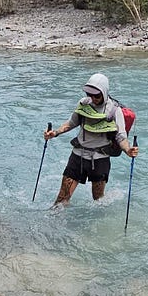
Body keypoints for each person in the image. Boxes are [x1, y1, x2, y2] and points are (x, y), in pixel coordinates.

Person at [44, 73, 138, 205]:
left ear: (104, 92)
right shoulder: (83, 104)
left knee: (98, 201)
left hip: (100, 159)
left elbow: (121, 136)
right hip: (78, 156)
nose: (93, 98)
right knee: (61, 200)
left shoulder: (114, 110)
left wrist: (128, 150)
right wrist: (55, 133)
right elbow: (71, 123)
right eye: (89, 94)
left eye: (97, 95)